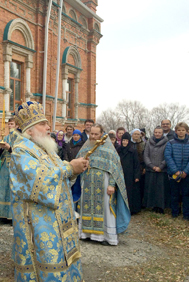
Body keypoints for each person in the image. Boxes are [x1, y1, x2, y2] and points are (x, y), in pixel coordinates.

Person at [9, 101, 88, 281]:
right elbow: (39, 181)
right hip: (37, 222)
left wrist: (75, 169)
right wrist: (69, 168)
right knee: (46, 262)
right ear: (30, 130)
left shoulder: (45, 148)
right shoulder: (21, 151)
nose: (48, 127)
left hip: (57, 218)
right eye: (43, 124)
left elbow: (61, 173)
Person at [77, 124, 131, 246]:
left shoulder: (109, 148)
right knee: (86, 206)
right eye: (91, 134)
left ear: (102, 134)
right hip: (87, 183)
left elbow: (115, 168)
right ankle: (86, 234)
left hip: (104, 183)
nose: (93, 136)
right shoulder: (86, 147)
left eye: (96, 134)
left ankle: (106, 237)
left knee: (106, 208)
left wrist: (112, 184)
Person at [164, 122, 189, 220]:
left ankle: (186, 214)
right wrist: (175, 171)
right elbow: (168, 157)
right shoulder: (170, 143)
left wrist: (185, 171)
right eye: (179, 130)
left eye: (183, 130)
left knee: (186, 194)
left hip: (186, 174)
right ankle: (175, 212)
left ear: (186, 131)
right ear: (176, 131)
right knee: (174, 194)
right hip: (174, 174)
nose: (181, 132)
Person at [144, 126, 169, 214]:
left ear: (162, 133)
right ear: (153, 133)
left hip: (162, 170)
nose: (157, 134)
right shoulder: (148, 142)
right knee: (152, 188)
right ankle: (153, 205)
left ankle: (161, 206)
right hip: (151, 169)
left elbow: (167, 156)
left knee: (161, 190)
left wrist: (161, 166)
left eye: (159, 132)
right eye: (156, 132)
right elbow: (146, 155)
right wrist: (152, 166)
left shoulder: (167, 143)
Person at [117, 132, 140, 214]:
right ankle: (120, 209)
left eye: (126, 140)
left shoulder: (133, 151)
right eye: (123, 140)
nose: (125, 142)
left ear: (129, 141)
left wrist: (137, 176)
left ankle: (130, 209)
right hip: (120, 174)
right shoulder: (118, 150)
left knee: (130, 192)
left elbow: (136, 164)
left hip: (130, 174)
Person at [0, 117, 17, 221]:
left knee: (12, 190)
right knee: (2, 189)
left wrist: (9, 148)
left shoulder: (19, 138)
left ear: (16, 125)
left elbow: (20, 153)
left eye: (12, 124)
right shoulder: (5, 138)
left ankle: (12, 216)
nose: (10, 126)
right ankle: (2, 214)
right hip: (5, 166)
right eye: (9, 124)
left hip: (15, 167)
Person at [130, 128, 146, 208]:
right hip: (131, 168)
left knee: (140, 186)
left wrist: (144, 167)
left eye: (138, 134)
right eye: (134, 134)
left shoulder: (144, 144)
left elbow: (145, 156)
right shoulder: (129, 144)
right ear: (132, 135)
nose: (136, 135)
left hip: (141, 167)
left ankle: (140, 203)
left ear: (140, 135)